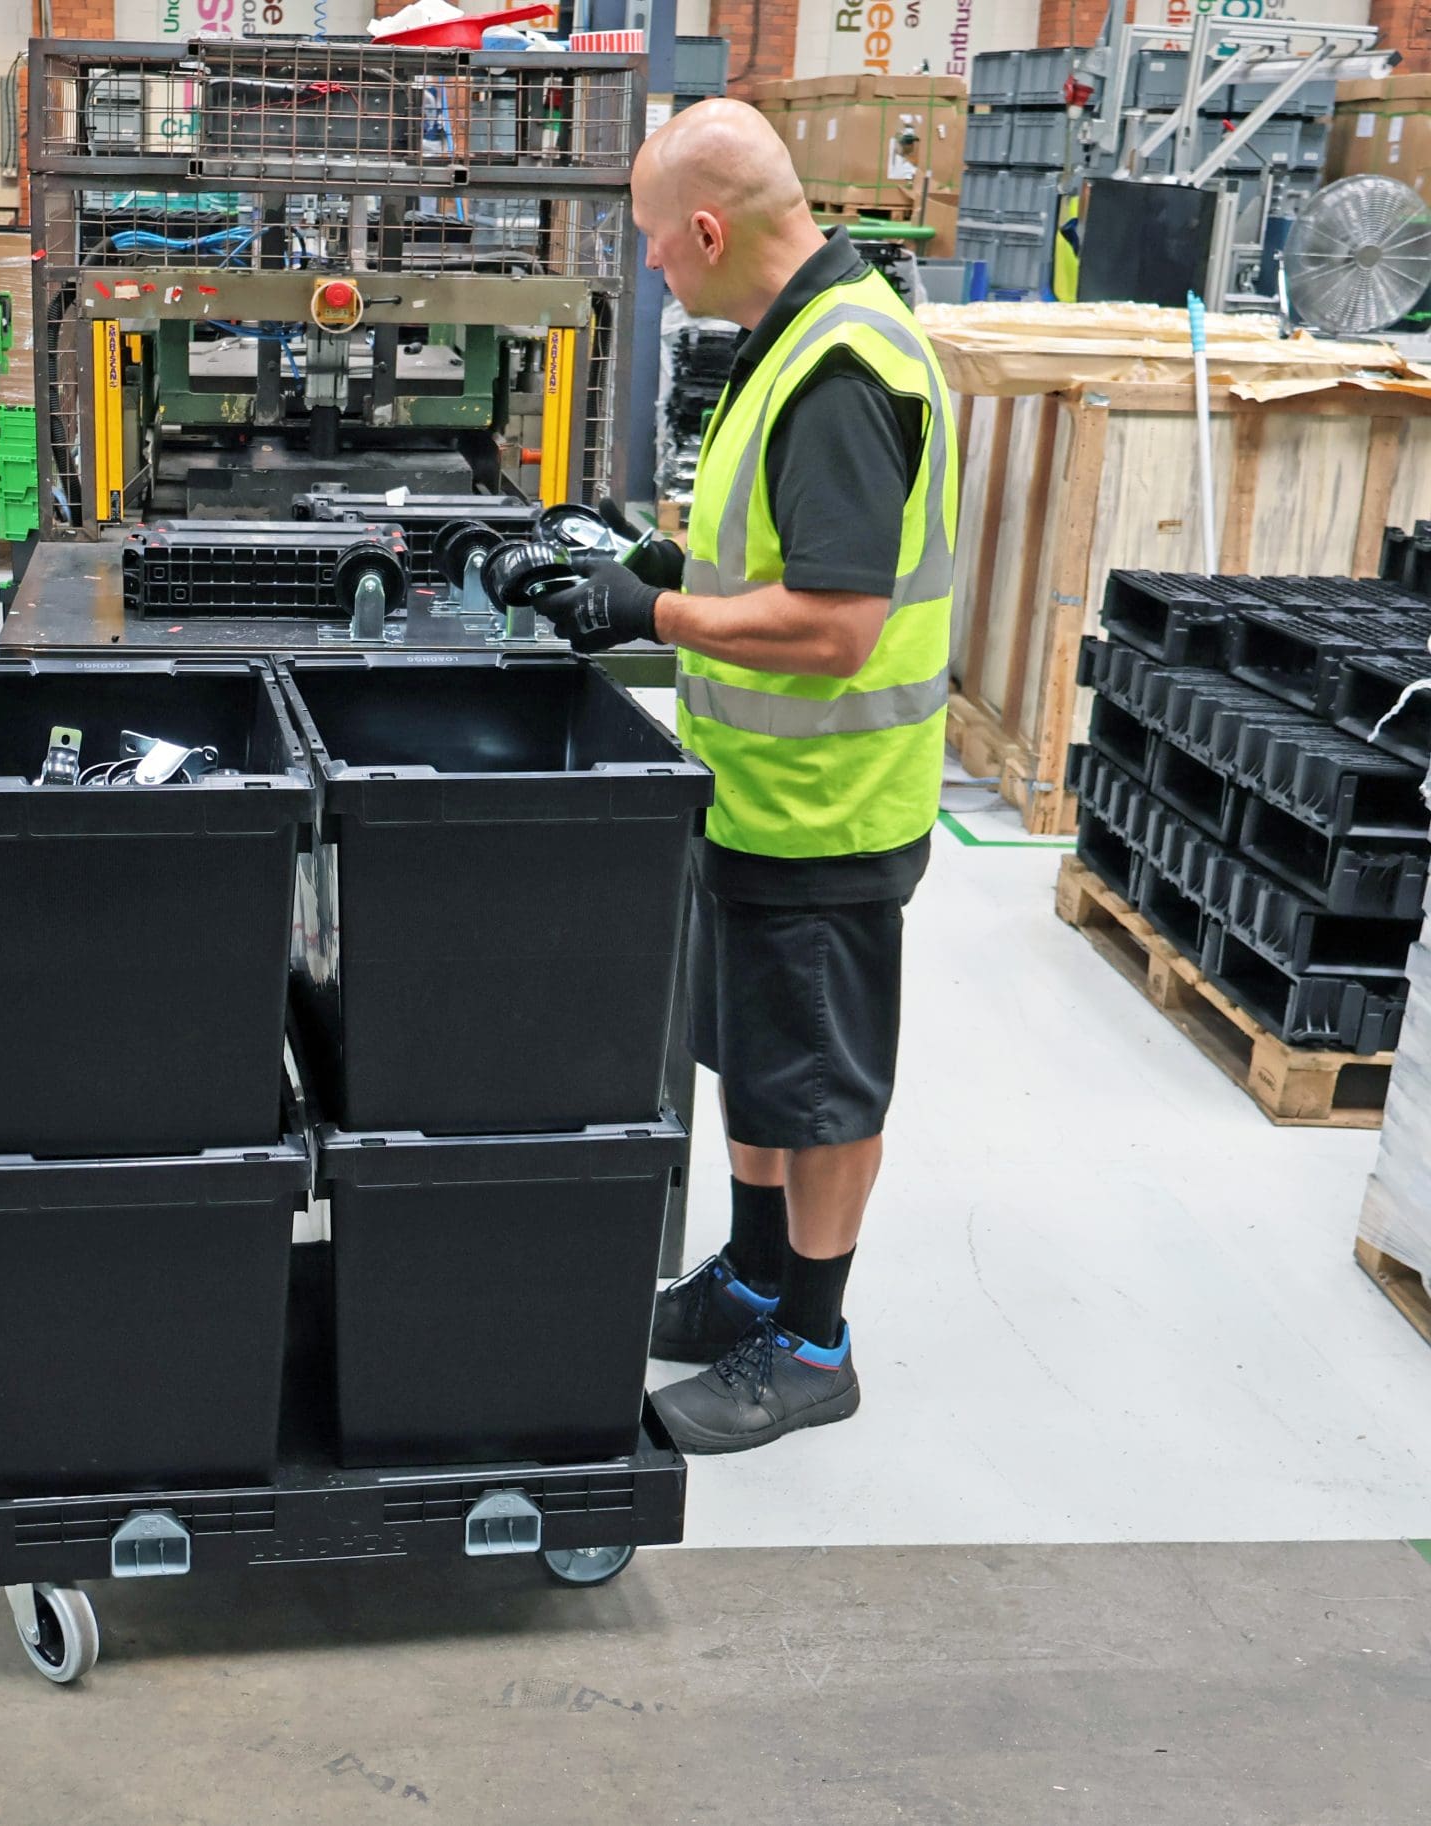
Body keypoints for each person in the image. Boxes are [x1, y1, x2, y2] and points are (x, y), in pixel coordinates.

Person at [485, 99, 957, 1454]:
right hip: (756, 797)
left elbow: (834, 621)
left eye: (650, 241)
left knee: (818, 1081)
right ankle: (753, 1275)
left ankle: (813, 1340)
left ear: (706, 228)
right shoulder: (791, 337)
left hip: (830, 815)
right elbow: (758, 561)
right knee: (756, 1059)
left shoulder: (842, 373)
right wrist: (627, 570)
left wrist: (657, 619)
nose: (648, 266)